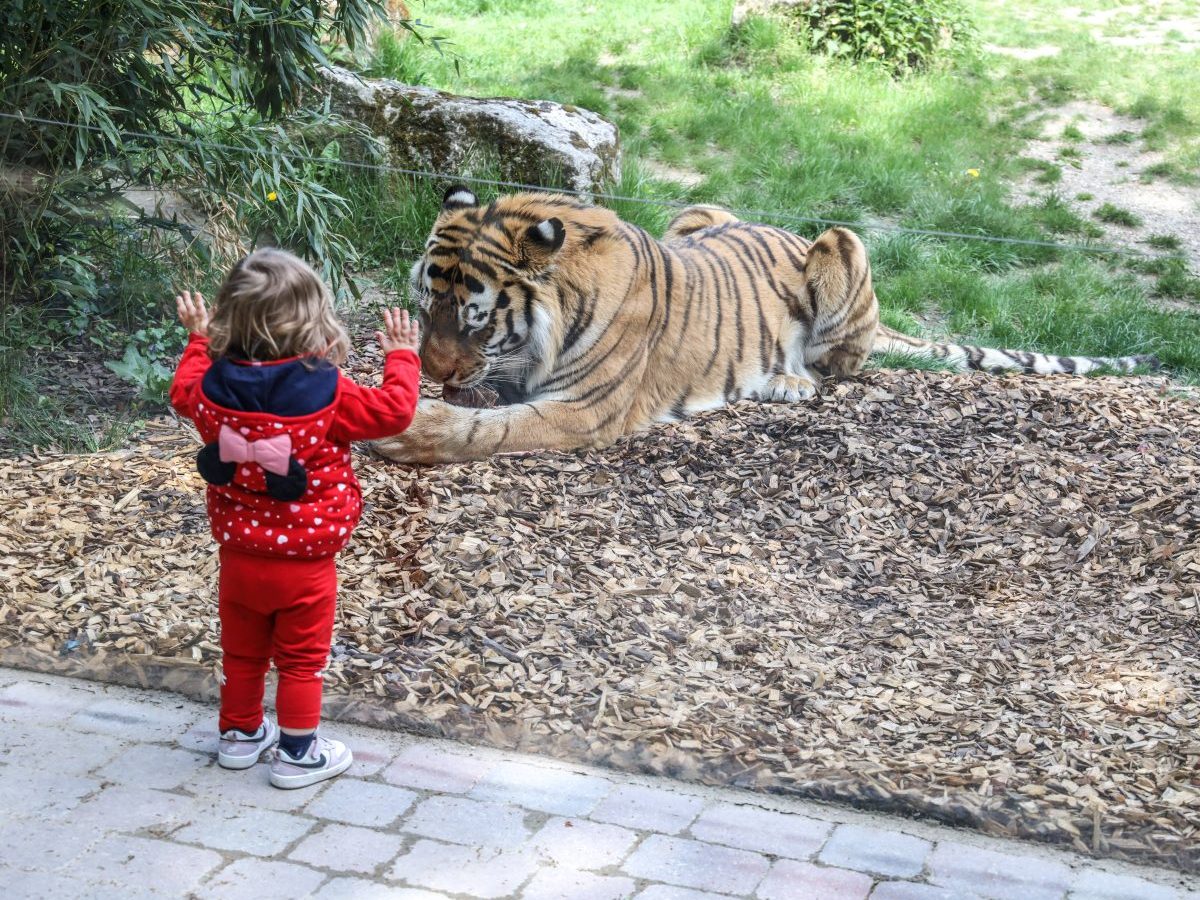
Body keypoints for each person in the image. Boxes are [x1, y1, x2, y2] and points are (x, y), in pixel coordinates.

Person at [169, 248, 421, 788]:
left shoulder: (211, 388)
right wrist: (402, 355)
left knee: (242, 654)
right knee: (302, 662)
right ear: (314, 321)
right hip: (306, 563)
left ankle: (239, 737)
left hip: (238, 555)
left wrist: (195, 339)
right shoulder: (330, 392)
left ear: (227, 317)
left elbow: (181, 392)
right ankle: (298, 755)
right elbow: (394, 412)